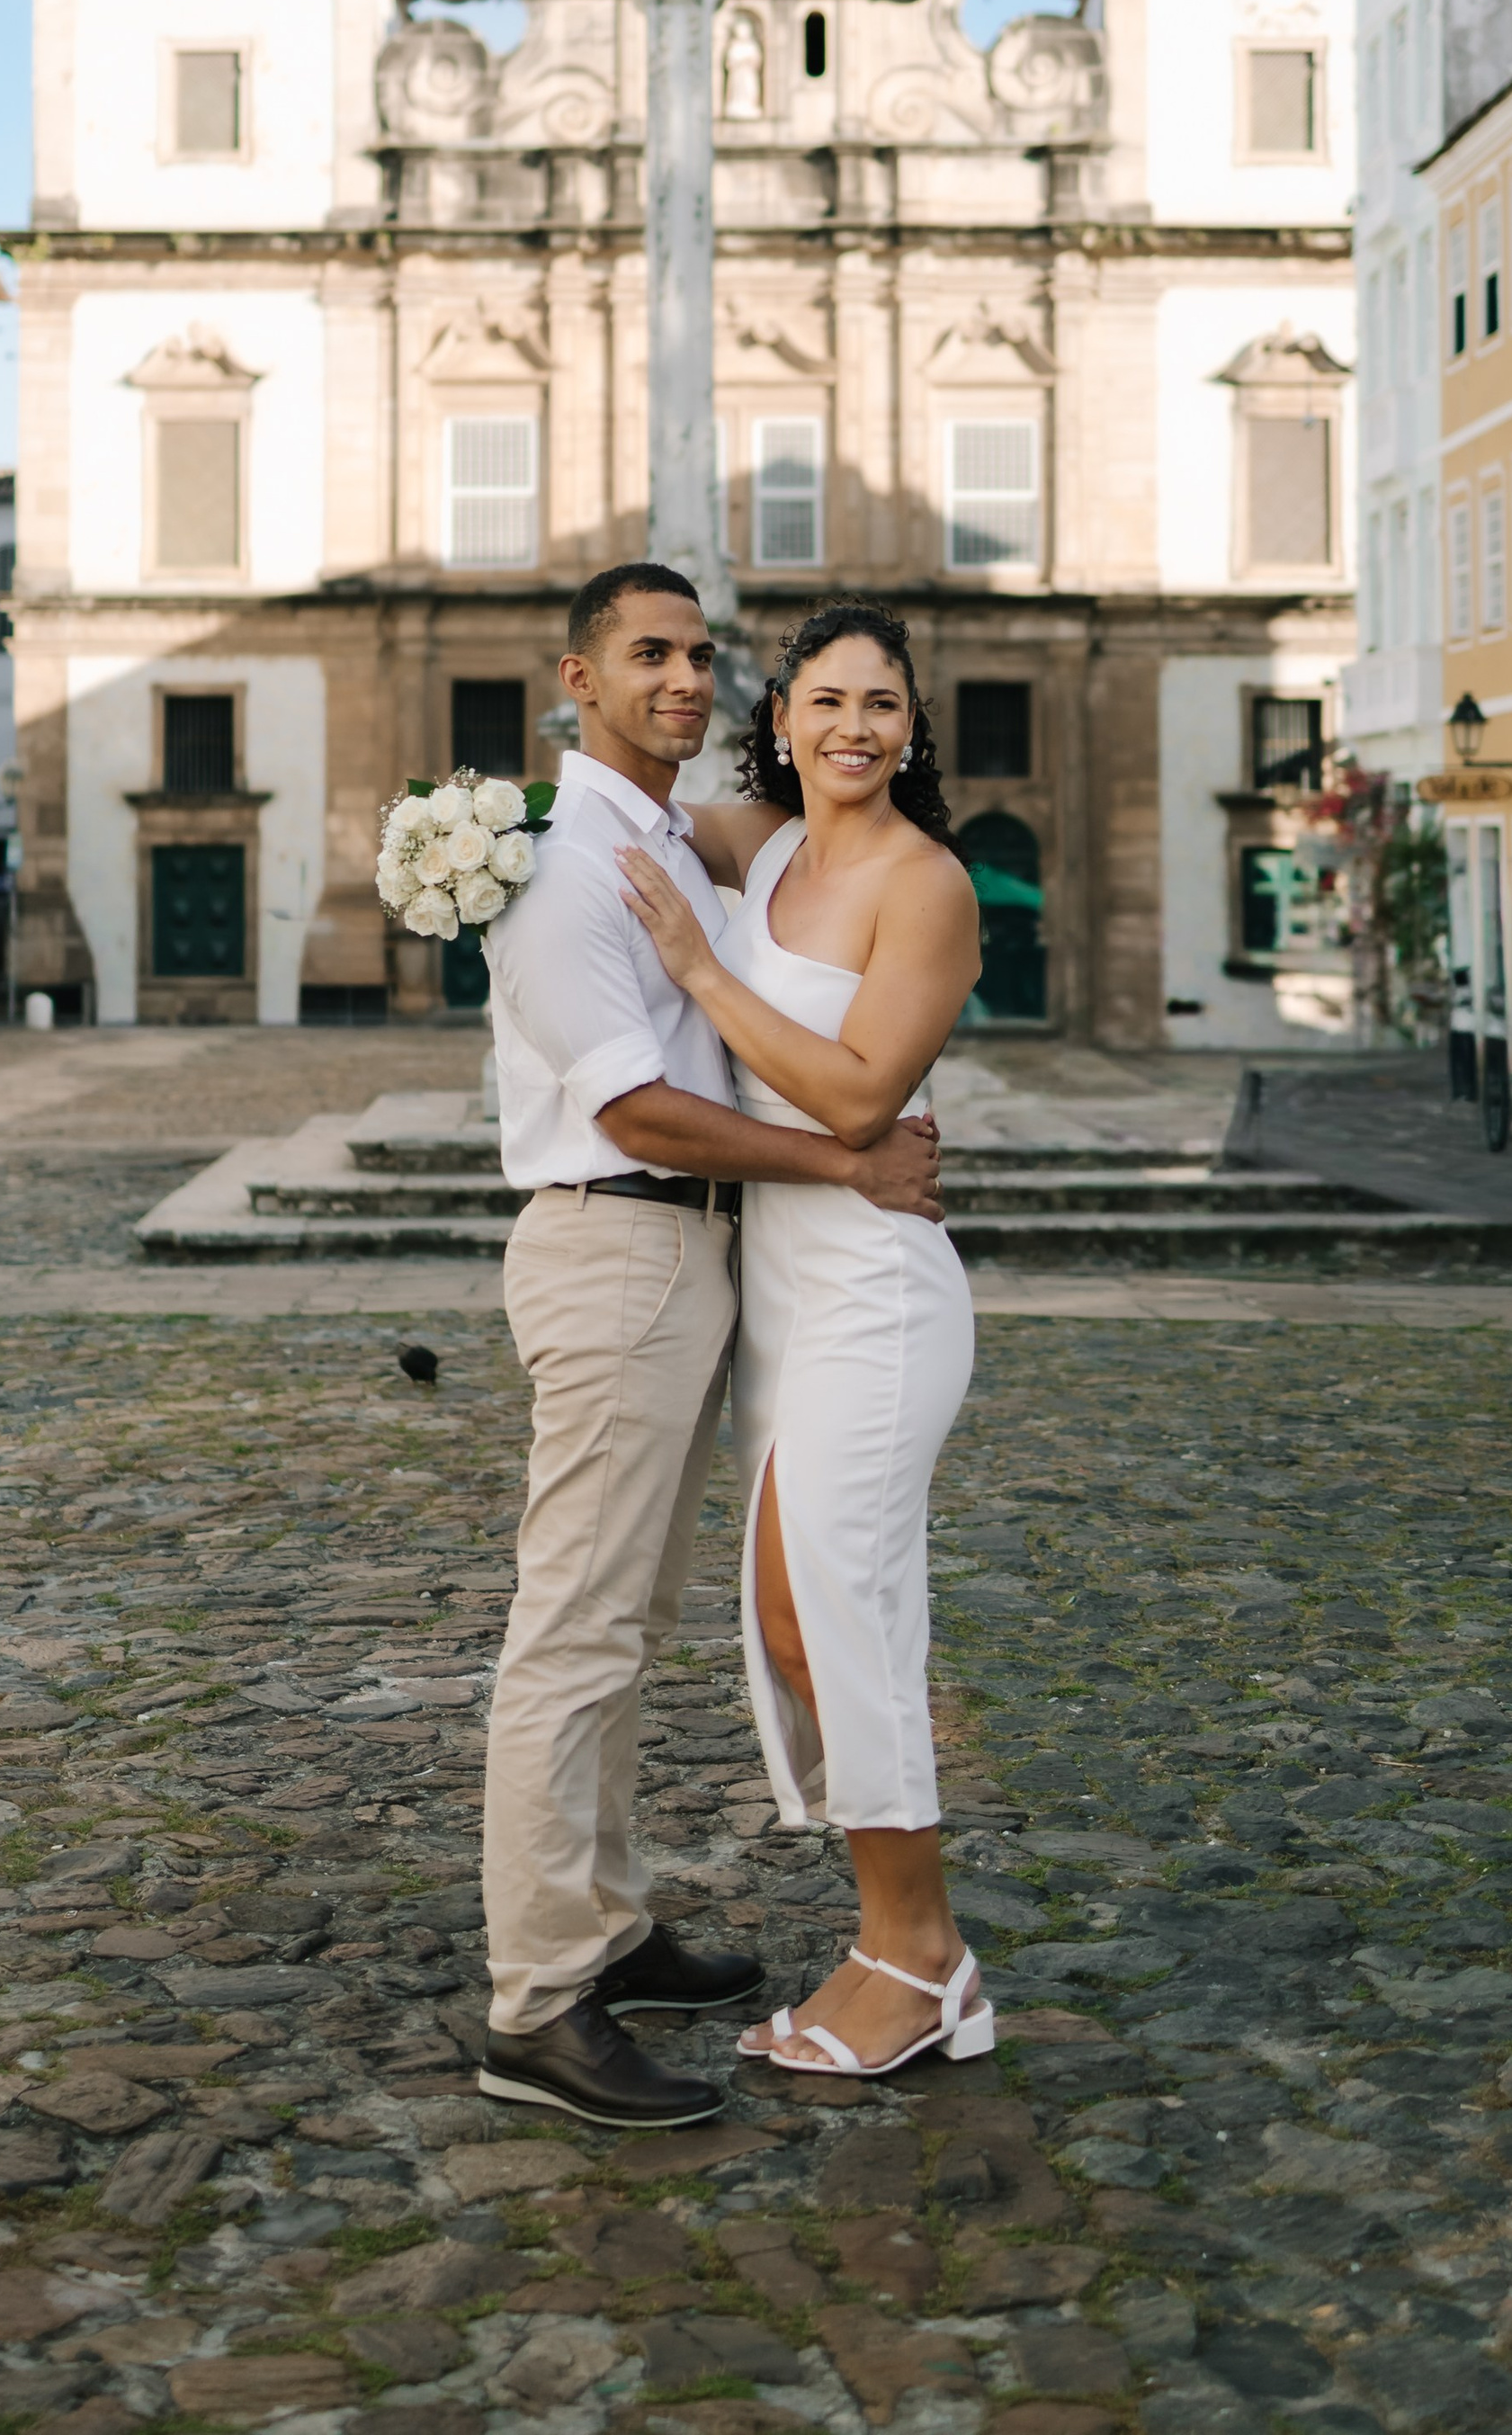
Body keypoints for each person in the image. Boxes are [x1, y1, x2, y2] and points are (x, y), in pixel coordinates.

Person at [476, 562, 945, 2130]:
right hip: (621, 1231)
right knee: (580, 1631)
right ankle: (542, 2001)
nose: (682, 678)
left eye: (698, 655)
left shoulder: (675, 836)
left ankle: (606, 1929)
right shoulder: (562, 865)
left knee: (632, 1617)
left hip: (709, 1257)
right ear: (578, 676)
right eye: (647, 655)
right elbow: (628, 1102)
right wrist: (843, 1162)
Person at [615, 598, 988, 2078]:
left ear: (912, 728)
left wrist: (702, 978)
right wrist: (458, 835)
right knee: (786, 1628)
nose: (852, 728)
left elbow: (853, 1101)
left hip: (877, 1292)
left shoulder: (927, 884)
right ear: (781, 720)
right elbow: (609, 804)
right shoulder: (761, 847)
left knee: (846, 1622)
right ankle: (890, 1941)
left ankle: (925, 1961)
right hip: (783, 1290)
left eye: (881, 706)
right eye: (824, 702)